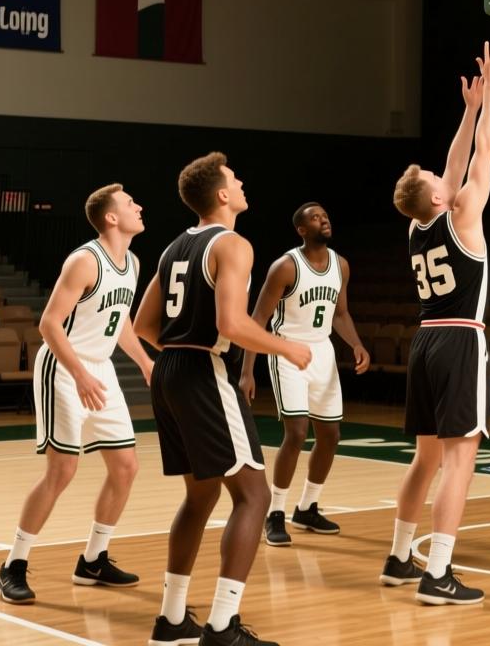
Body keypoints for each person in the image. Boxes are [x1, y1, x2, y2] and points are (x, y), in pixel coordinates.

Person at [133, 152, 311, 646]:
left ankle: (171, 620)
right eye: (235, 179)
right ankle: (222, 626)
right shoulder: (232, 244)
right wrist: (287, 347)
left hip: (169, 371)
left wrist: (181, 350)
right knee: (253, 495)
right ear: (222, 195)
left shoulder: (173, 247)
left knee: (201, 494)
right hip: (203, 370)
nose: (242, 182)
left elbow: (144, 326)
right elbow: (233, 325)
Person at [380, 38, 490, 606]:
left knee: (425, 456)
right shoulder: (463, 214)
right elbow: (482, 154)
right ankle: (438, 573)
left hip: (424, 342)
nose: (444, 173)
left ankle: (399, 556)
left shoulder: (416, 227)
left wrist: (468, 105)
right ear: (437, 195)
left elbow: (455, 161)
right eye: (437, 176)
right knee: (460, 460)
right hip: (460, 340)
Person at [0, 184, 155, 605]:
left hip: (99, 367)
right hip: (64, 368)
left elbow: (120, 322)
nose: (139, 206)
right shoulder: (85, 260)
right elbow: (48, 324)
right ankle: (13, 565)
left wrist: (145, 362)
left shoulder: (133, 263)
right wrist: (79, 374)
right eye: (129, 203)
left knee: (126, 466)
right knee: (63, 470)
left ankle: (93, 560)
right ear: (111, 218)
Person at [239, 202, 371, 547]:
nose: (324, 219)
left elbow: (340, 314)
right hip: (287, 351)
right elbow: (258, 320)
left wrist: (357, 344)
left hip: (323, 352)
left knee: (330, 435)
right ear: (301, 229)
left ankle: (308, 507)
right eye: (315, 217)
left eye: (326, 215)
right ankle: (276, 512)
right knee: (296, 433)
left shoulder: (340, 265)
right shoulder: (285, 266)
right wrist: (247, 371)